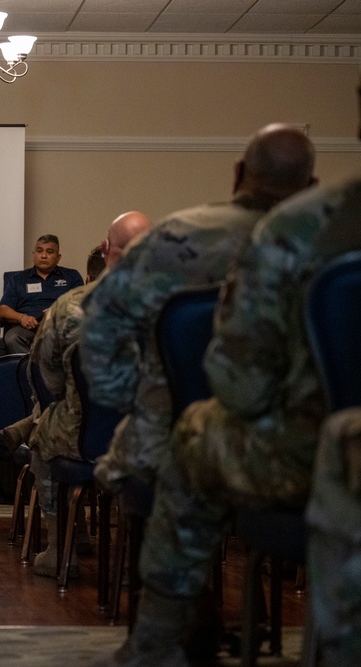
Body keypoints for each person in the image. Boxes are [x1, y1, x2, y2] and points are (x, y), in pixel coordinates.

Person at [82, 124, 318, 667]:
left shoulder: (177, 237)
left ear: (238, 174)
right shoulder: (333, 242)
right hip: (317, 449)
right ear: (313, 184)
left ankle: (166, 631)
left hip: (172, 437)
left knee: (158, 465)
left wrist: (130, 400)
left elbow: (100, 322)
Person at [1, 213, 152, 577]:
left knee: (46, 431)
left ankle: (60, 551)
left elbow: (45, 374)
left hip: (82, 434)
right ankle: (146, 557)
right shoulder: (169, 303)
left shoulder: (68, 306)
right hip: (149, 435)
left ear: (105, 248)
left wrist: (73, 402)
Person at [0, 235, 84, 354]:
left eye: (49, 252)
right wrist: (22, 317)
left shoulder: (71, 276)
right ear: (34, 254)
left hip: (59, 328)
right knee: (12, 337)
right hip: (27, 329)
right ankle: (31, 370)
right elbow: (3, 309)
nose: (43, 256)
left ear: (58, 257)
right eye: (39, 251)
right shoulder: (18, 279)